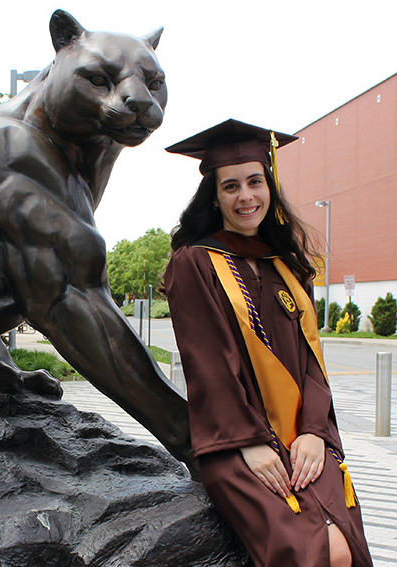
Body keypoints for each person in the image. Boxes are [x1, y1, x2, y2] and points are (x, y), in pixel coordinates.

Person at [163, 119, 373, 567]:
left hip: (305, 438)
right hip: (236, 441)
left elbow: (312, 363)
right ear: (215, 197)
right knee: (314, 550)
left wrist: (316, 433)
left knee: (344, 550)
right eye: (231, 186)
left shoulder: (287, 267)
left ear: (270, 186)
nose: (246, 197)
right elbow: (208, 365)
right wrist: (249, 441)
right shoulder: (194, 264)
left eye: (255, 182)